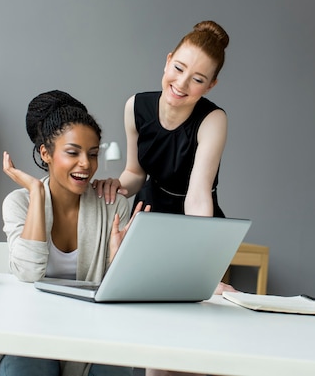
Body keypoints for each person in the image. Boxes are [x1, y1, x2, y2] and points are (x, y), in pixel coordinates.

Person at [0, 90, 148, 376]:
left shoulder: (113, 206)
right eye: (72, 153)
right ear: (45, 153)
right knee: (23, 368)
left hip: (90, 330)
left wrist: (118, 261)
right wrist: (37, 192)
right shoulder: (19, 203)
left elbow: (120, 298)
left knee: (112, 370)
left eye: (93, 154)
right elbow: (28, 273)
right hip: (28, 326)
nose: (86, 164)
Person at [92, 21, 233, 376]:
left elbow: (199, 196)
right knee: (157, 347)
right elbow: (135, 173)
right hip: (151, 218)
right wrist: (114, 184)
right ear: (167, 61)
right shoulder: (135, 107)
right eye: (179, 68)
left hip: (196, 224)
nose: (182, 84)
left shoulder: (213, 119)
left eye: (198, 79)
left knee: (196, 347)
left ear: (211, 84)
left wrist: (202, 270)